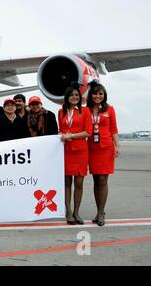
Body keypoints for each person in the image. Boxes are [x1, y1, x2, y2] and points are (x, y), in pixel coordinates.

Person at [86, 81, 119, 226]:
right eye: (95, 93)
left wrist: (117, 145)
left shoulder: (109, 109)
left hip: (106, 147)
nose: (98, 96)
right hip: (92, 148)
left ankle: (100, 213)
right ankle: (99, 209)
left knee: (103, 180)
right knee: (95, 180)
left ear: (104, 95)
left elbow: (114, 129)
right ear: (90, 95)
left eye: (100, 93)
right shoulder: (86, 109)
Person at [58, 86, 92, 225]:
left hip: (80, 151)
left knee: (79, 182)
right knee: (67, 182)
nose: (75, 97)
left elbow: (88, 132)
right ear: (67, 97)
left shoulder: (85, 111)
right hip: (66, 150)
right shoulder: (61, 111)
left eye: (77, 95)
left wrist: (71, 135)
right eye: (72, 95)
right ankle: (68, 211)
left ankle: (77, 211)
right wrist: (62, 135)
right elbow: (61, 129)